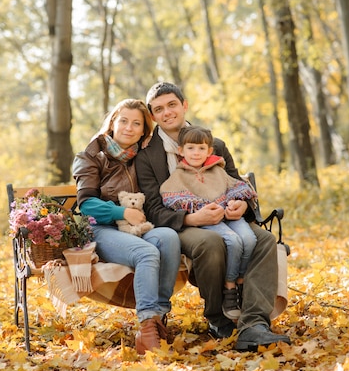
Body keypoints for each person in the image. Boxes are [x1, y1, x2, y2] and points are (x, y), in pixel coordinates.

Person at [135, 82, 290, 351]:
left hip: (227, 218)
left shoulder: (213, 144)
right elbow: (152, 207)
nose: (167, 112)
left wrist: (241, 206)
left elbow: (235, 184)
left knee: (264, 240)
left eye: (172, 104)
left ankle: (254, 324)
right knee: (210, 242)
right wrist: (190, 220)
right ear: (152, 116)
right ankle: (218, 317)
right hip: (180, 226)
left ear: (184, 105)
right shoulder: (147, 156)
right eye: (159, 109)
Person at [72, 98, 181, 354]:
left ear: (145, 131)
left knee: (168, 238)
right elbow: (86, 204)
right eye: (123, 121)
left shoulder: (144, 158)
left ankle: (157, 317)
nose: (128, 128)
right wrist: (122, 212)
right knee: (147, 253)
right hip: (101, 228)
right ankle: (146, 329)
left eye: (136, 124)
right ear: (112, 122)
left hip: (139, 227)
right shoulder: (90, 156)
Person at [159, 125, 257, 321]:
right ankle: (230, 288)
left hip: (228, 214)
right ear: (181, 151)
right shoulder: (179, 174)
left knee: (250, 239)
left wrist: (237, 201)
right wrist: (199, 208)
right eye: (191, 148)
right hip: (208, 217)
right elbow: (169, 195)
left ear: (209, 151)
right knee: (233, 241)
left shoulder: (216, 168)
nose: (196, 153)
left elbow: (236, 185)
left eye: (201, 149)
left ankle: (240, 281)